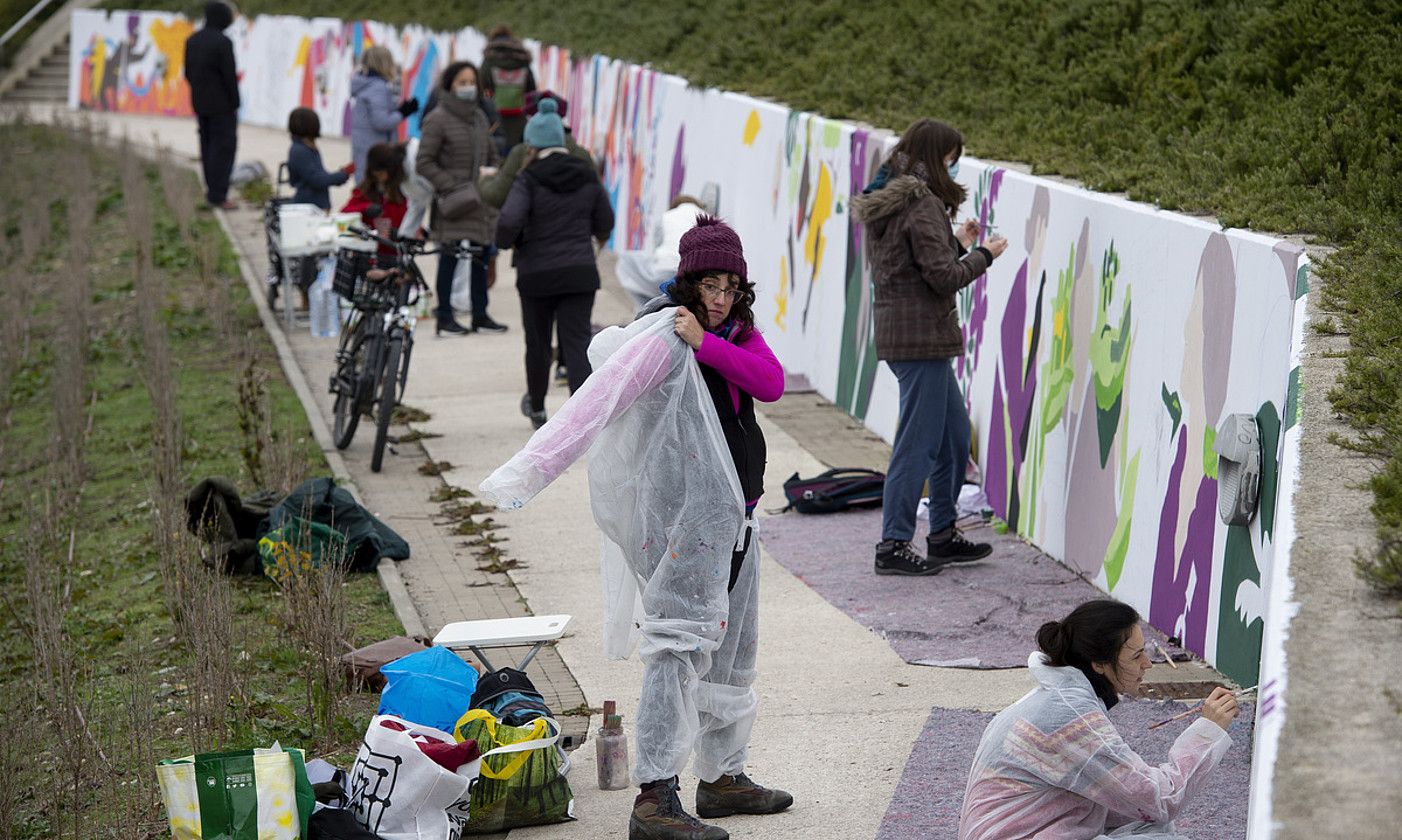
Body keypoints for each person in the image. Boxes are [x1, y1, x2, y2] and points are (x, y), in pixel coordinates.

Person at [479, 217, 790, 840]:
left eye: (731, 285)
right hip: (684, 527)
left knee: (732, 654)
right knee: (676, 651)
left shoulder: (725, 332)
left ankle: (723, 777)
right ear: (688, 281)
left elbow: (772, 383)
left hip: (737, 517)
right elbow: (594, 406)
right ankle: (654, 796)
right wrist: (527, 472)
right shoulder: (664, 340)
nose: (722, 296)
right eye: (711, 284)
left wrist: (711, 341)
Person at [850, 118, 1009, 576]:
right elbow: (942, 279)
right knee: (916, 446)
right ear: (935, 156)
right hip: (920, 338)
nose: (952, 168)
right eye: (950, 159)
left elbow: (915, 265)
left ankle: (942, 534)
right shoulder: (920, 204)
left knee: (955, 438)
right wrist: (985, 255)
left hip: (913, 336)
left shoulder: (898, 197)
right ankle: (893, 545)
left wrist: (957, 242)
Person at [959, 600, 1239, 839]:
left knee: (1151, 823)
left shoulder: (1057, 698)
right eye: (1137, 655)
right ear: (1098, 663)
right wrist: (1208, 731)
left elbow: (1140, 803)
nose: (1147, 665)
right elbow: (1160, 799)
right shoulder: (1067, 715)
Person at [495, 98, 614, 429]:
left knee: (537, 343)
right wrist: (588, 241)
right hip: (579, 273)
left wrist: (509, 243)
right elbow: (606, 220)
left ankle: (537, 409)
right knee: (575, 343)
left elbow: (507, 222)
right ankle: (580, 418)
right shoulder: (588, 175)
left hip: (536, 275)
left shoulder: (528, 178)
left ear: (532, 145)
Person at [417, 60, 505, 336]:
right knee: (450, 257)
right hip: (454, 202)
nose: (468, 88)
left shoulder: (479, 118)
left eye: (472, 82)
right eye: (462, 82)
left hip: (480, 201)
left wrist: (492, 173)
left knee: (480, 256)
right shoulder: (438, 118)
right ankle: (445, 317)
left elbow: (492, 153)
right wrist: (450, 186)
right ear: (450, 85)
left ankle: (480, 315)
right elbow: (424, 162)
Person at [183, 1, 239, 209]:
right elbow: (229, 77)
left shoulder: (192, 40)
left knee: (207, 147)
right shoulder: (223, 42)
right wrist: (235, 102)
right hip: (222, 106)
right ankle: (219, 196)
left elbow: (187, 73)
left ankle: (212, 191)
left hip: (200, 103)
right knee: (223, 149)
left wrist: (200, 92)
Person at [616, 195, 705, 311]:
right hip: (695, 277)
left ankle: (644, 310)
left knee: (626, 262)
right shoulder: (710, 219)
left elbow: (657, 247)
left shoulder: (666, 217)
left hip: (666, 272)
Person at [349, 46, 418, 184]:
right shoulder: (378, 87)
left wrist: (398, 110)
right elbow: (381, 122)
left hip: (365, 149)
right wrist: (402, 112)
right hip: (377, 153)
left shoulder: (366, 84)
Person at [341, 143, 409, 257]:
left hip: (395, 256)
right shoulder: (366, 190)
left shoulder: (404, 193)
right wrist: (365, 208)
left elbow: (415, 227)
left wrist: (400, 234)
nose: (380, 179)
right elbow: (343, 213)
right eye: (376, 175)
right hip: (368, 255)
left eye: (382, 174)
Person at [478, 24, 537, 148]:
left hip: (495, 114)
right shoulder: (522, 58)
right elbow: (532, 88)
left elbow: (482, 84)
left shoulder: (489, 59)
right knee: (517, 148)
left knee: (496, 146)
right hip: (519, 114)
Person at [285, 107, 353, 211]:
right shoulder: (300, 151)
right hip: (309, 207)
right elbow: (316, 180)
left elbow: (319, 175)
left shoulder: (308, 148)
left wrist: (340, 175)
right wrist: (342, 174)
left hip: (315, 204)